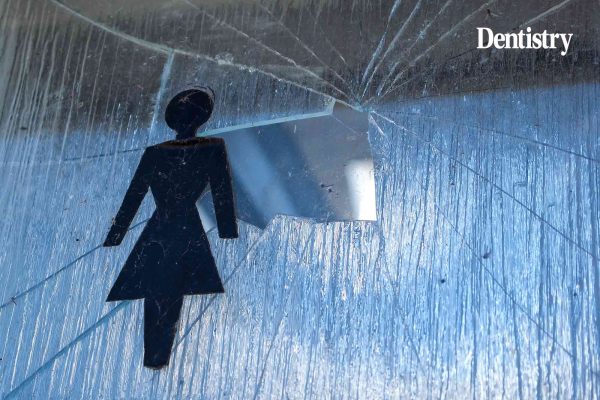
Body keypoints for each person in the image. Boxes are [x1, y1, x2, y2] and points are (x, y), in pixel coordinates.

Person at [103, 88, 238, 369]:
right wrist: (115, 236)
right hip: (174, 229)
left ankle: (157, 357)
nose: (186, 121)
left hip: (168, 229)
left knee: (164, 288)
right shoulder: (199, 149)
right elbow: (135, 194)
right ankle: (156, 357)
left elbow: (222, 193)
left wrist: (116, 236)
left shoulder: (186, 150)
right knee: (162, 288)